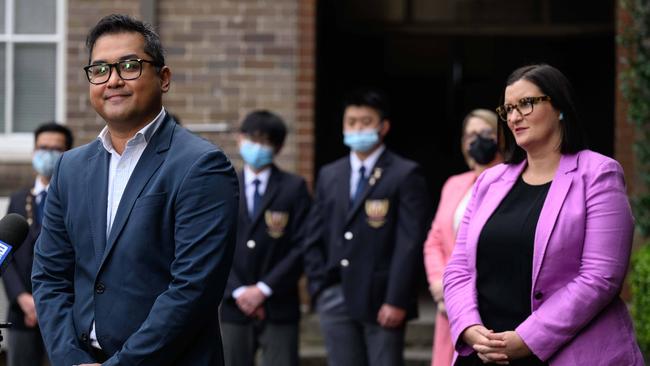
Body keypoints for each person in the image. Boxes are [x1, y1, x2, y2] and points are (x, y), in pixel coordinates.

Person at [31, 14, 239, 366]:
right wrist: (69, 359)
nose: (112, 80)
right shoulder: (70, 168)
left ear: (164, 78)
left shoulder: (201, 165)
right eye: (99, 70)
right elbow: (50, 275)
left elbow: (192, 290)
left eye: (129, 66)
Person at [443, 64, 644, 365]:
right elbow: (458, 268)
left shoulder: (599, 174)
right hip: (485, 353)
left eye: (525, 104)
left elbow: (600, 277)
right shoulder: (489, 181)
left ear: (560, 106)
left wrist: (527, 339)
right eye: (508, 109)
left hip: (567, 352)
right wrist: (470, 327)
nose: (513, 117)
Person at [303, 88, 431, 366]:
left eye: (365, 122)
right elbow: (313, 233)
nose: (357, 128)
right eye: (351, 122)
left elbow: (409, 242)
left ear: (383, 127)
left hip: (382, 298)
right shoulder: (330, 174)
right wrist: (319, 288)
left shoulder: (405, 173)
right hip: (335, 295)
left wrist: (397, 298)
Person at [220, 110, 311, 366]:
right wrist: (238, 290)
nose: (257, 147)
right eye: (252, 138)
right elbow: (213, 245)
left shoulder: (294, 188)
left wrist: (263, 289)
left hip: (279, 303)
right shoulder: (224, 185)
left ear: (279, 147)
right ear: (240, 139)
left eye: (266, 141)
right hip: (232, 303)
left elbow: (303, 245)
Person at [423, 109, 501, 366]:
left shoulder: (512, 182)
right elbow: (434, 240)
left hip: (488, 307)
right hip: (449, 306)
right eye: (470, 135)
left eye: (485, 133)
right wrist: (439, 284)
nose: (477, 140)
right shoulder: (454, 184)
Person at [2, 122, 73, 366]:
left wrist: (48, 304)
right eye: (43, 147)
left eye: (56, 149)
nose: (48, 154)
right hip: (22, 313)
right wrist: (23, 298)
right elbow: (6, 254)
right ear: (33, 151)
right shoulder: (18, 199)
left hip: (65, 313)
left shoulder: (75, 198)